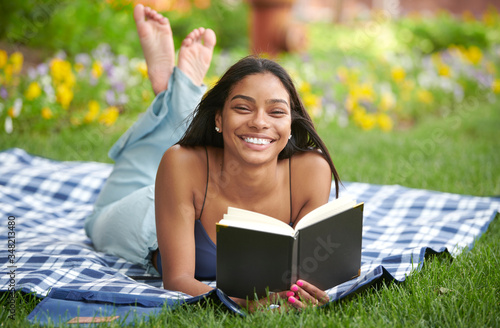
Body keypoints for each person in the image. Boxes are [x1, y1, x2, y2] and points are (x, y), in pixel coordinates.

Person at [85, 4, 340, 311]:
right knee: (98, 220)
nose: (260, 122)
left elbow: (304, 275)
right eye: (243, 108)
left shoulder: (311, 171)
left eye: (276, 112)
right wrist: (251, 303)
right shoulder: (181, 164)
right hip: (149, 219)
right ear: (219, 118)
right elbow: (177, 280)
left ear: (289, 126)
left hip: (188, 188)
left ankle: (176, 94)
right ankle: (176, 95)